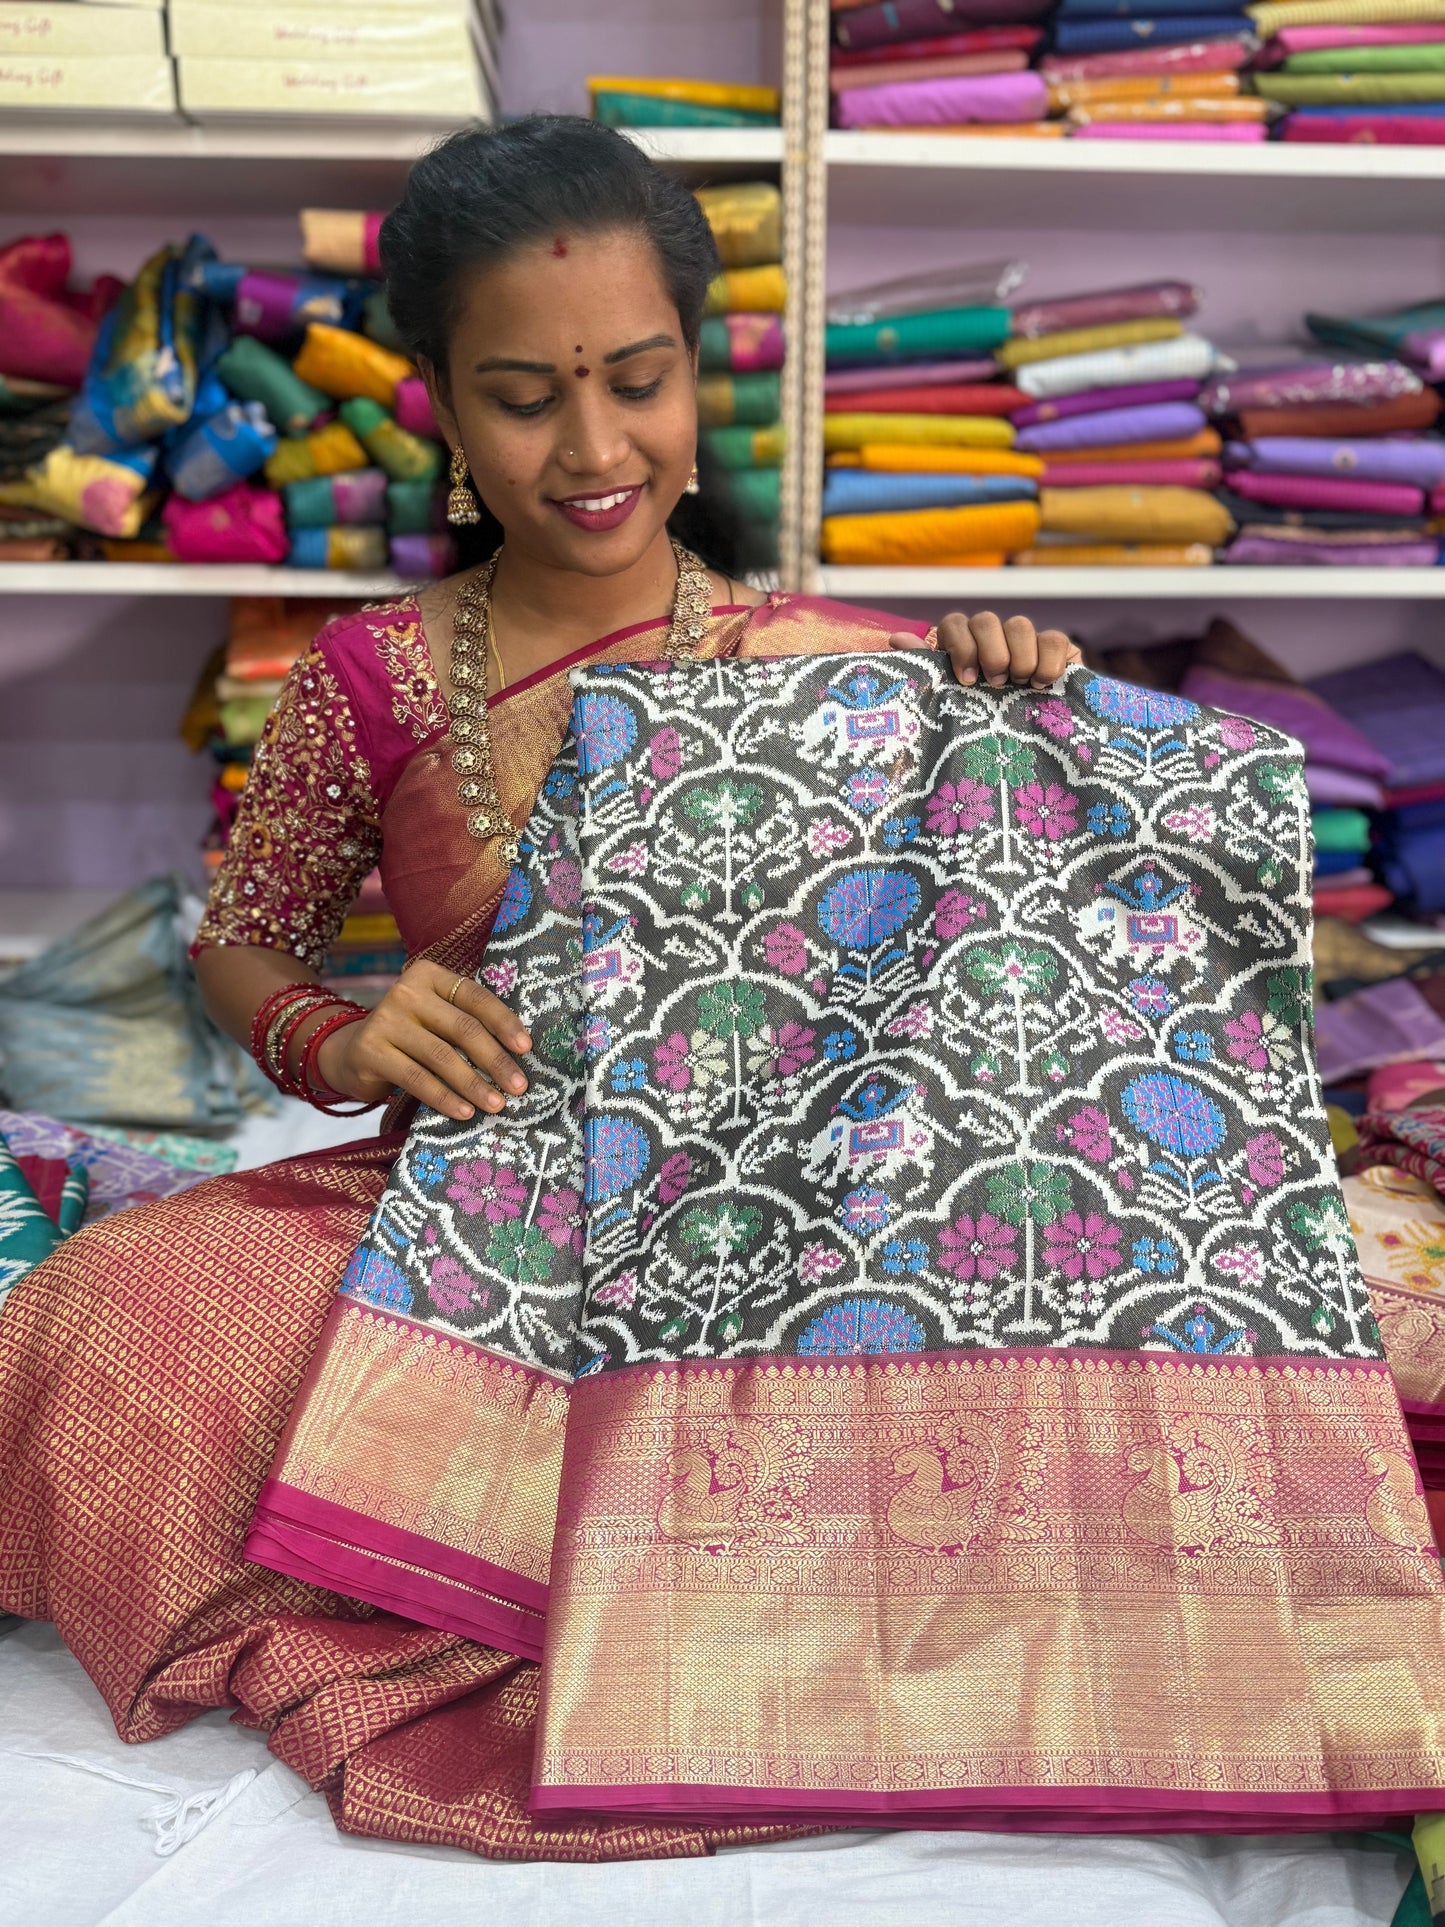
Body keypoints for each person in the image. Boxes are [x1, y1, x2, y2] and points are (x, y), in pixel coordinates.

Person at [0, 117, 1081, 1863]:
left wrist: (1017, 714)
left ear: (696, 377)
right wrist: (341, 1034)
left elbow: (997, 979)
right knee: (113, 1308)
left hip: (776, 1225)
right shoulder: (373, 675)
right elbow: (242, 938)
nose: (591, 451)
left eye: (636, 383)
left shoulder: (851, 670)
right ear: (439, 401)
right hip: (469, 1208)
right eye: (522, 398)